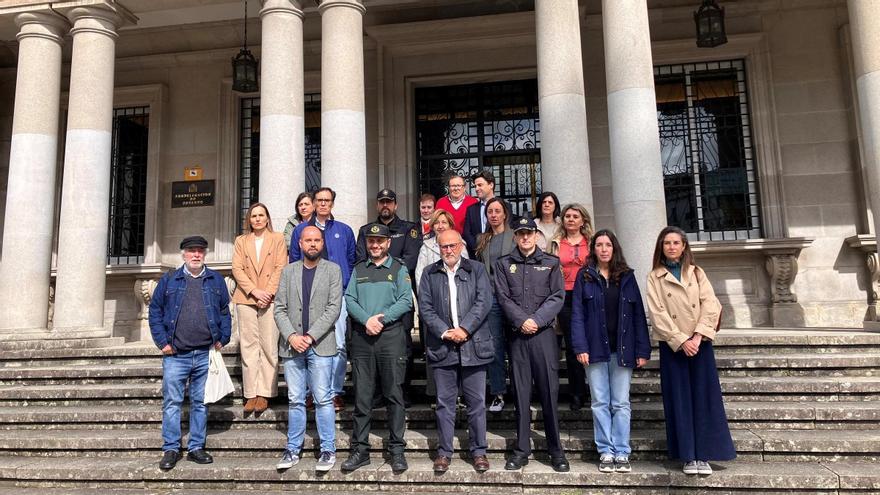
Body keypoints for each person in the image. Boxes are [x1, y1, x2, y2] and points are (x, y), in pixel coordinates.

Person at [646, 226, 736, 475]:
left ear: (684, 246)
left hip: (700, 344)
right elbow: (657, 313)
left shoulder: (697, 272)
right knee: (680, 400)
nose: (671, 247)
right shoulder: (654, 276)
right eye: (667, 243)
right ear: (661, 247)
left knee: (704, 398)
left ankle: (704, 454)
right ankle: (687, 455)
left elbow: (711, 304)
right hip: (673, 346)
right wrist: (681, 340)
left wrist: (697, 336)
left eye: (676, 242)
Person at [570, 229, 651, 474]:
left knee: (621, 403)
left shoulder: (626, 276)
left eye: (608, 245)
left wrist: (642, 349)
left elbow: (638, 314)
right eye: (599, 245)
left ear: (614, 248)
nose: (604, 249)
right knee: (600, 402)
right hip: (594, 349)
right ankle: (605, 450)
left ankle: (622, 451)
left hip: (622, 349)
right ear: (593, 249)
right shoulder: (584, 276)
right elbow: (577, 315)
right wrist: (580, 346)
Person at [149, 236, 232, 470]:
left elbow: (224, 311)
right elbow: (155, 311)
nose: (196, 255)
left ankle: (196, 447)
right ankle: (171, 448)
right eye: (191, 251)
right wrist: (162, 342)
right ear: (183, 254)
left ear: (205, 254)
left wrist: (223, 337)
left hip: (205, 353)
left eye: (200, 251)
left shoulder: (215, 280)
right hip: (176, 354)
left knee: (200, 402)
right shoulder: (169, 280)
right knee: (172, 402)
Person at [493, 218, 568, 472]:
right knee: (521, 394)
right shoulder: (503, 264)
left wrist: (535, 320)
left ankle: (556, 450)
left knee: (549, 393)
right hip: (518, 336)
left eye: (529, 233)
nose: (525, 237)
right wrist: (522, 321)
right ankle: (521, 450)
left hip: (543, 336)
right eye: (521, 233)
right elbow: (503, 297)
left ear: (536, 236)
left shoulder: (551, 263)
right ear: (515, 237)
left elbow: (557, 296)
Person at [419, 229, 493, 474]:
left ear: (461, 246)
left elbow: (484, 301)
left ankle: (479, 451)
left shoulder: (477, 269)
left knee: (476, 403)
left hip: (473, 344)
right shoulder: (429, 273)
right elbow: (425, 308)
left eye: (452, 245)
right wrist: (444, 331)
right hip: (443, 346)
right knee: (444, 404)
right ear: (438, 248)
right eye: (444, 246)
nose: (448, 250)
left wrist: (465, 329)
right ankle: (444, 452)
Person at [342, 223, 414, 474]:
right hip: (363, 338)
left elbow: (406, 300)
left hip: (391, 337)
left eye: (380, 241)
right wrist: (366, 320)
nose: (375, 245)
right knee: (362, 397)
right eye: (371, 241)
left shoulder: (399, 269)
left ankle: (397, 450)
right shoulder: (359, 269)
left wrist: (381, 319)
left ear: (388, 243)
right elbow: (349, 298)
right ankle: (360, 450)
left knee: (394, 395)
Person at [274, 226, 343, 472]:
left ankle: (327, 449)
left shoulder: (333, 270)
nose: (312, 244)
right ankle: (293, 449)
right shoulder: (288, 271)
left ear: (322, 243)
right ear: (300, 244)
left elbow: (334, 308)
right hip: (292, 347)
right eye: (308, 240)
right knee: (295, 400)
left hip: (320, 345)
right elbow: (279, 308)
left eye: (316, 240)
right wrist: (292, 336)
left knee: (323, 399)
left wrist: (311, 336)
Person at [290, 187, 356, 411]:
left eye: (327, 200)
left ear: (332, 204)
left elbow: (351, 260)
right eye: (319, 200)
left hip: (338, 294)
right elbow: (294, 261)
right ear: (314, 203)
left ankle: (334, 392)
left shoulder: (344, 230)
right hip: (307, 294)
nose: (323, 204)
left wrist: (345, 286)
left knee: (338, 345)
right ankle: (312, 392)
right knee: (309, 342)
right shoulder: (301, 231)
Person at [355, 188, 422, 405]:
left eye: (389, 202)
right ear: (377, 205)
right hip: (371, 299)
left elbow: (410, 260)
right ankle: (377, 394)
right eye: (382, 202)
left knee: (404, 349)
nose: (385, 206)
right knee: (372, 348)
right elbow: (361, 259)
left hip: (398, 295)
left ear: (395, 205)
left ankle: (402, 392)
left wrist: (385, 267)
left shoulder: (409, 229)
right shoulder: (365, 231)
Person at [231, 202, 287, 414]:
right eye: (254, 216)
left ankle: (265, 393)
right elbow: (237, 268)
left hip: (270, 299)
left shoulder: (277, 238)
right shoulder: (241, 241)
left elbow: (281, 267)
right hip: (246, 297)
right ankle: (251, 393)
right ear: (249, 219)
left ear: (267, 218)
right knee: (249, 346)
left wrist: (268, 293)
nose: (257, 219)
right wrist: (255, 291)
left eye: (261, 215)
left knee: (269, 345)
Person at [414, 208, 470, 399]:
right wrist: (427, 306)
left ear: (450, 225)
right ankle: (436, 394)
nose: (440, 226)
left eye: (444, 222)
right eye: (437, 222)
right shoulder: (426, 246)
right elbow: (420, 277)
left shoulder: (461, 244)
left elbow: (468, 276)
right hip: (434, 310)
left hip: (459, 309)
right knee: (435, 353)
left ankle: (460, 394)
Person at [548, 203, 594, 411]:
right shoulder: (556, 243)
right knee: (573, 344)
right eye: (567, 216)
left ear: (583, 220)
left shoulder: (591, 242)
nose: (571, 219)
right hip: (565, 295)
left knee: (591, 341)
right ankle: (577, 392)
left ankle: (594, 390)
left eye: (575, 216)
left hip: (588, 295)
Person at [474, 197, 515, 413]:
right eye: (490, 212)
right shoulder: (482, 239)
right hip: (492, 299)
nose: (494, 215)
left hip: (513, 299)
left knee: (516, 347)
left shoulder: (515, 237)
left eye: (497, 211)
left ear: (505, 214)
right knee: (495, 347)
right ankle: (498, 393)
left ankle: (519, 391)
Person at [463, 169, 516, 255]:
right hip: (476, 255)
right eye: (475, 186)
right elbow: (467, 233)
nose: (476, 189)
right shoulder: (471, 209)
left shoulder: (506, 206)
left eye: (480, 185)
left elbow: (508, 229)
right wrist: (479, 249)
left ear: (491, 185)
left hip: (501, 254)